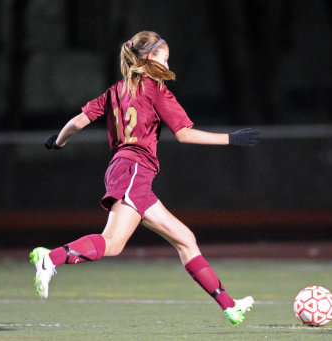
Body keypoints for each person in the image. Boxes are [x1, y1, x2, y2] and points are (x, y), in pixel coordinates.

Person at [30, 31, 260, 325]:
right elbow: (184, 134)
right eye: (165, 57)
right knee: (112, 243)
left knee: (185, 240)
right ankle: (51, 259)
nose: (167, 63)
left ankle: (230, 306)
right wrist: (231, 139)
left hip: (125, 170)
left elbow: (76, 123)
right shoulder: (156, 90)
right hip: (134, 170)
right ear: (150, 57)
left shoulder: (114, 90)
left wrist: (58, 142)